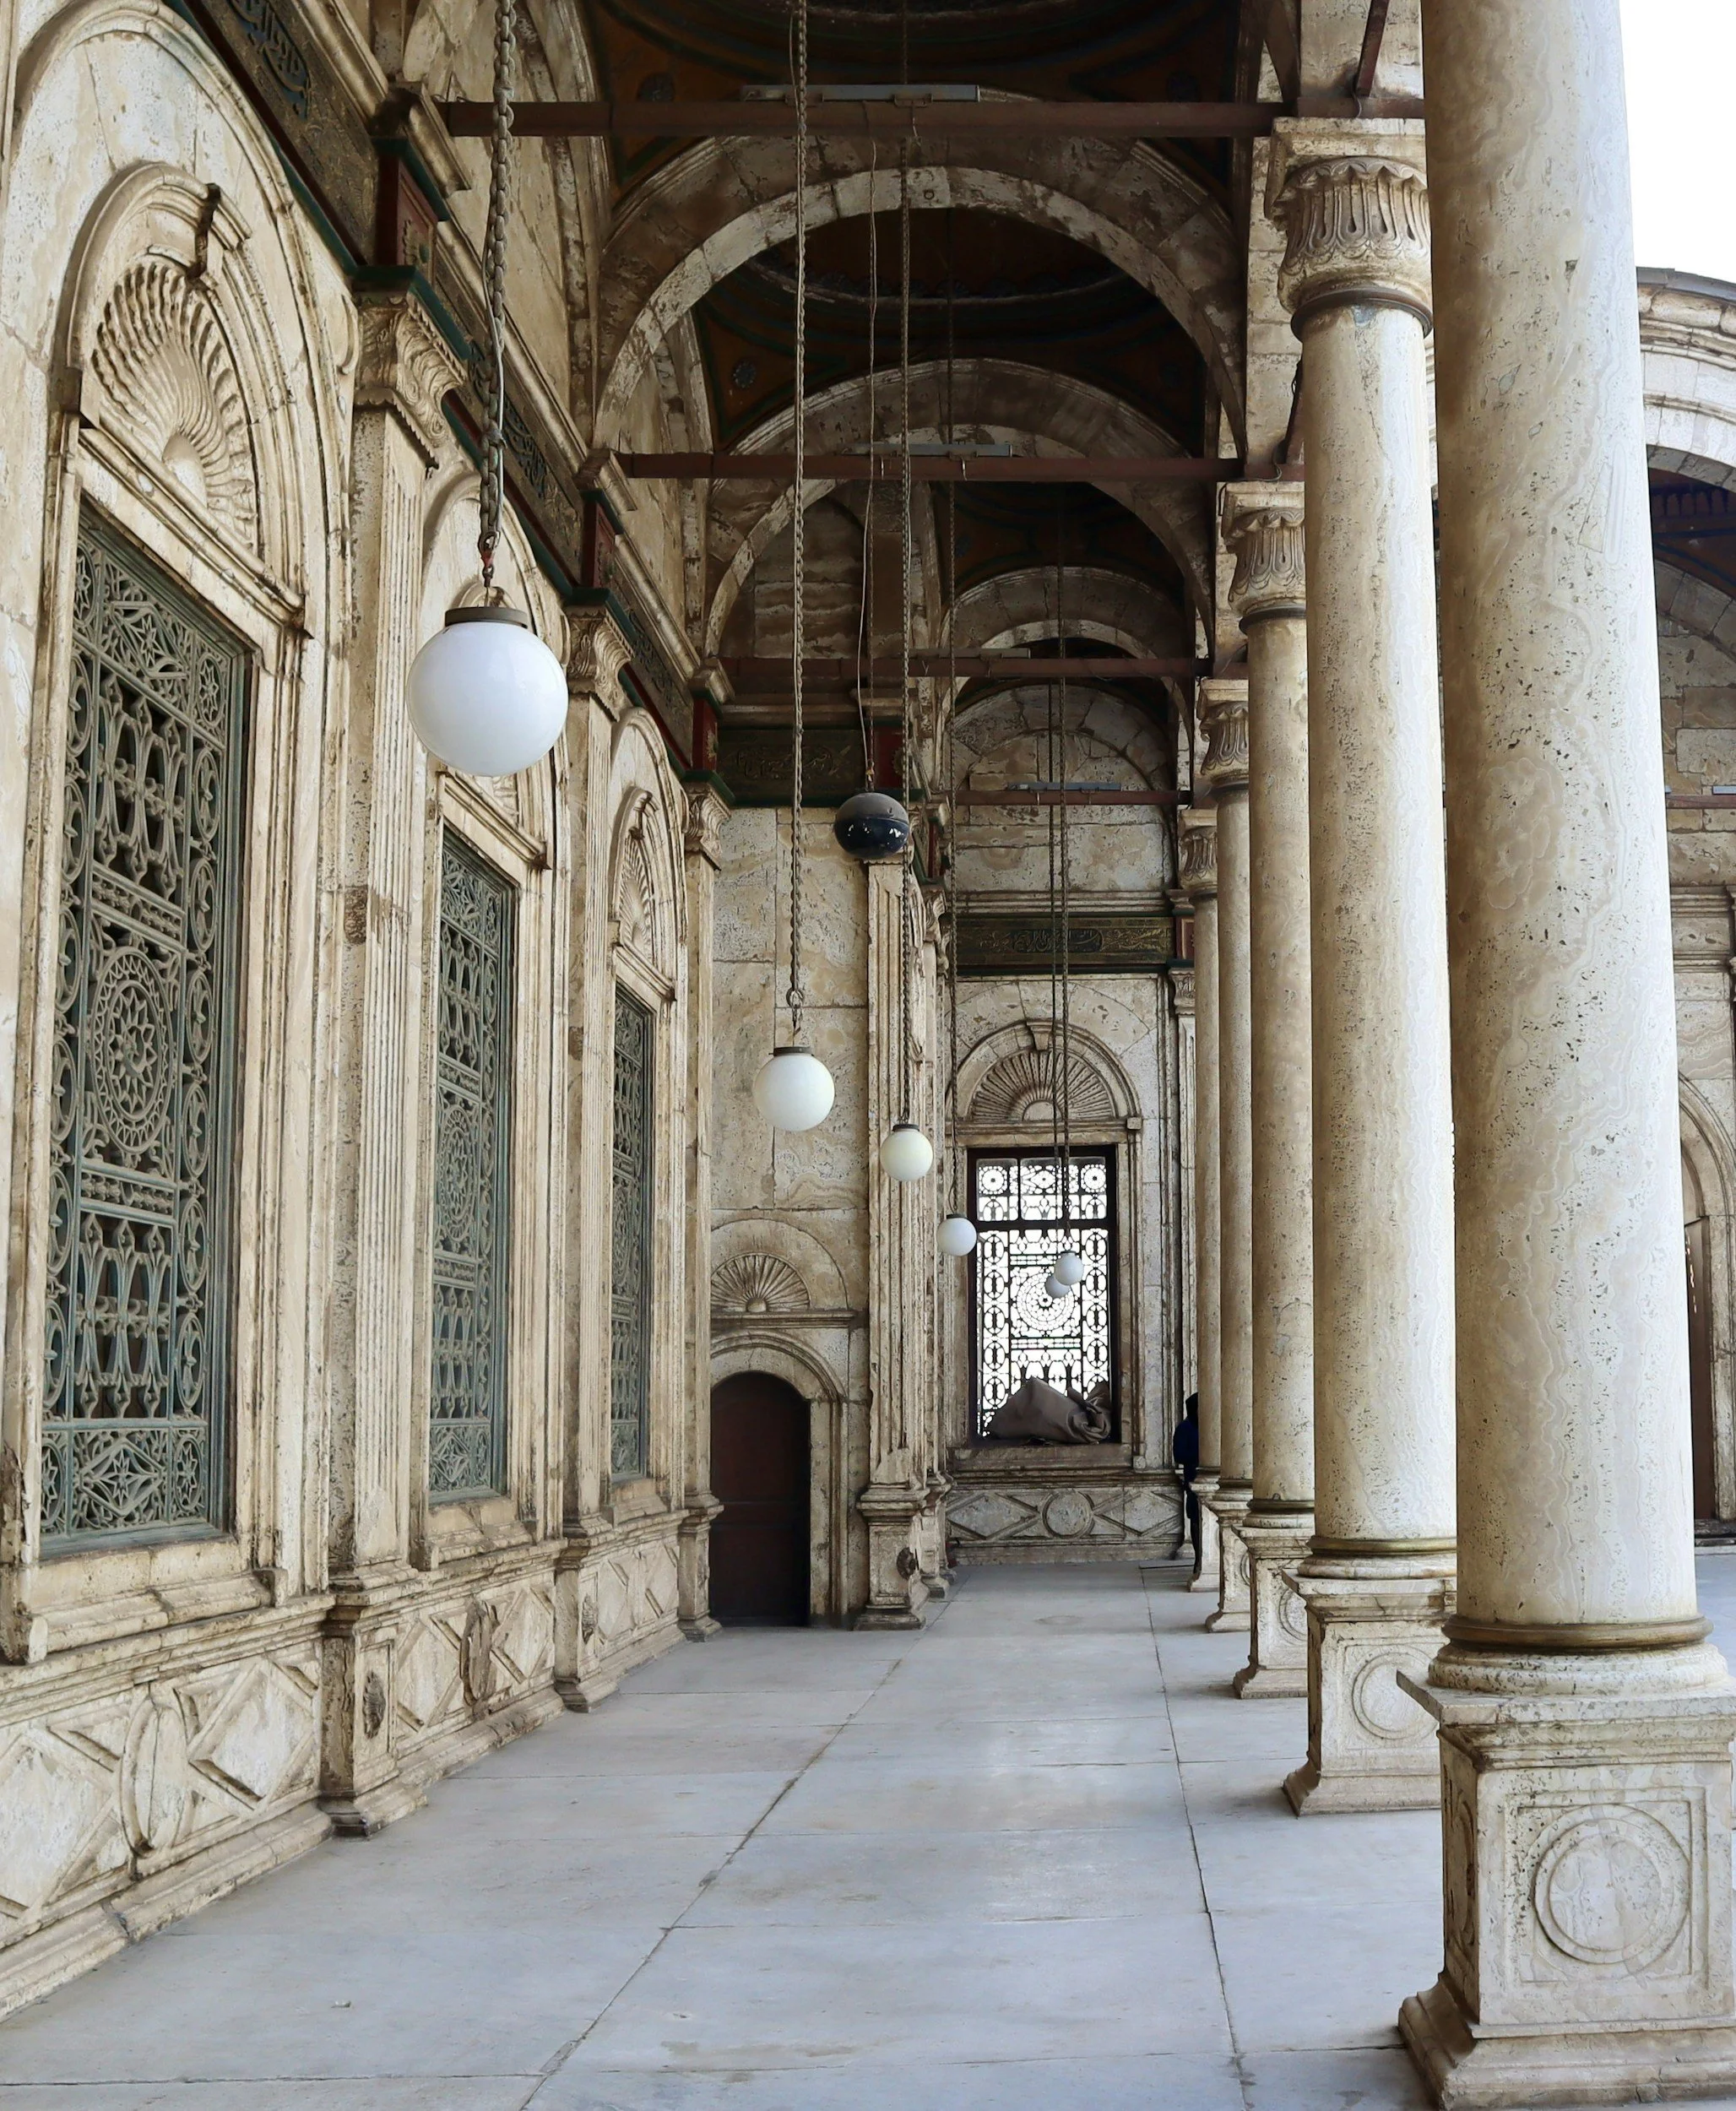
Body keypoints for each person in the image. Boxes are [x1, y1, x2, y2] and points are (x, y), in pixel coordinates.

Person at [1171, 1394, 1201, 1566]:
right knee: (1195, 1518)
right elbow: (1179, 1455)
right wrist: (1200, 1455)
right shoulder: (1185, 1428)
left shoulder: (1209, 1427)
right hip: (1194, 1481)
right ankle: (1198, 1559)